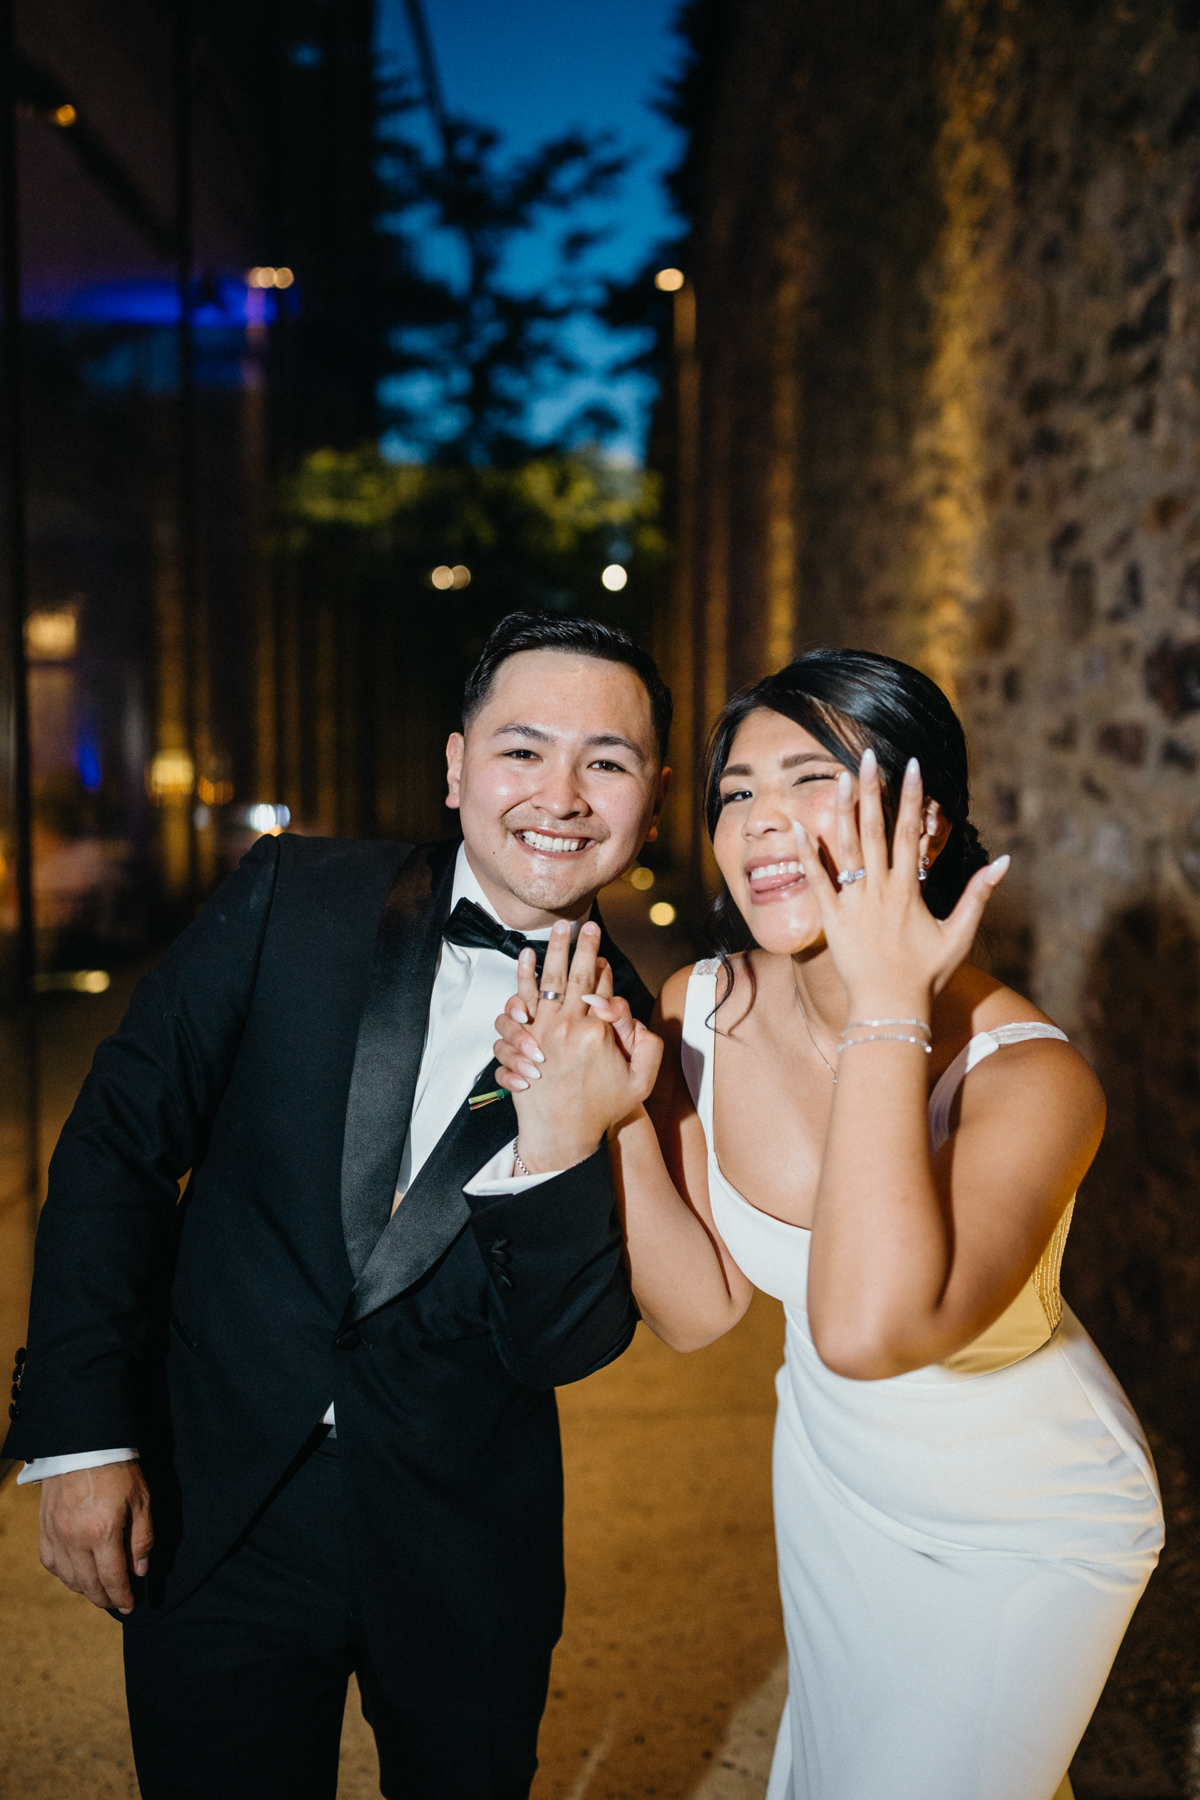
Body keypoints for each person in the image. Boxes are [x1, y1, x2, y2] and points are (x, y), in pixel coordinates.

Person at [3, 610, 672, 1800]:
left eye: (606, 761)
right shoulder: (294, 895)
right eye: (524, 749)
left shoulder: (647, 1038)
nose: (561, 794)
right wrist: (81, 1432)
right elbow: (117, 1142)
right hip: (215, 1513)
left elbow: (566, 1342)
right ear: (458, 764)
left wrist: (569, 1135)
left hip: (467, 1549)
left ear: (652, 799)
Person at [490, 649, 1165, 1800]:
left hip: (1028, 1516)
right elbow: (701, 1314)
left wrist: (890, 1003)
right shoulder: (700, 1010)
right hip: (835, 1481)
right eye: (737, 792)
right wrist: (621, 1124)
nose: (761, 821)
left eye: (812, 780)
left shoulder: (1033, 1083)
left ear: (925, 825)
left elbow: (864, 1328)